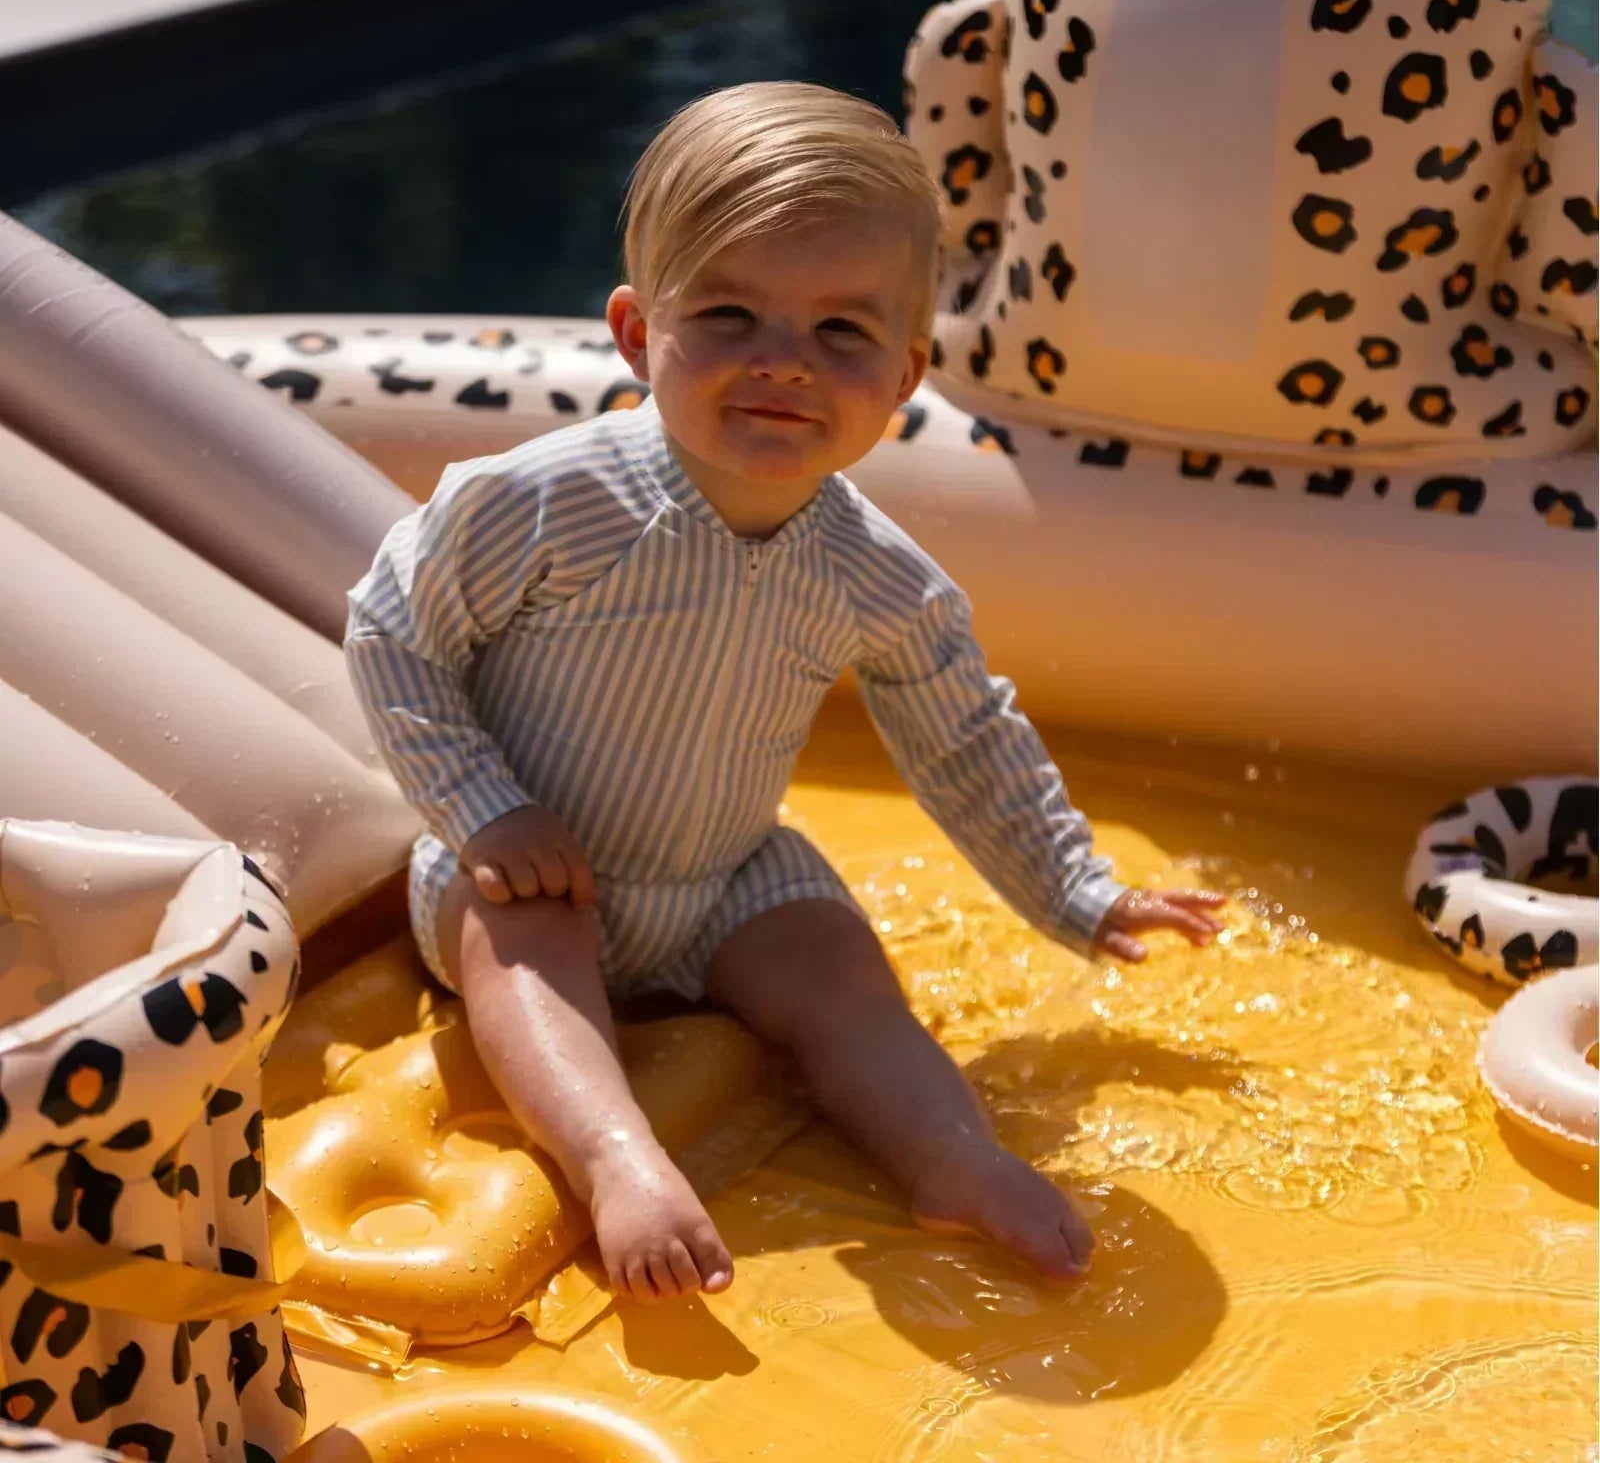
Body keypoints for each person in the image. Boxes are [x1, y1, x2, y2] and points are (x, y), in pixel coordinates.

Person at [346, 81, 1224, 1307]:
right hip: (535, 861)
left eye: (840, 335)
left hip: (723, 871)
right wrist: (483, 808)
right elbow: (394, 628)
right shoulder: (544, 502)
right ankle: (617, 1158)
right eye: (729, 313)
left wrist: (1075, 886)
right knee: (520, 940)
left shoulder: (874, 573)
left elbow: (965, 737)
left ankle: (951, 1157)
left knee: (835, 959)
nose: (782, 363)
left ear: (906, 371)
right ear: (639, 334)